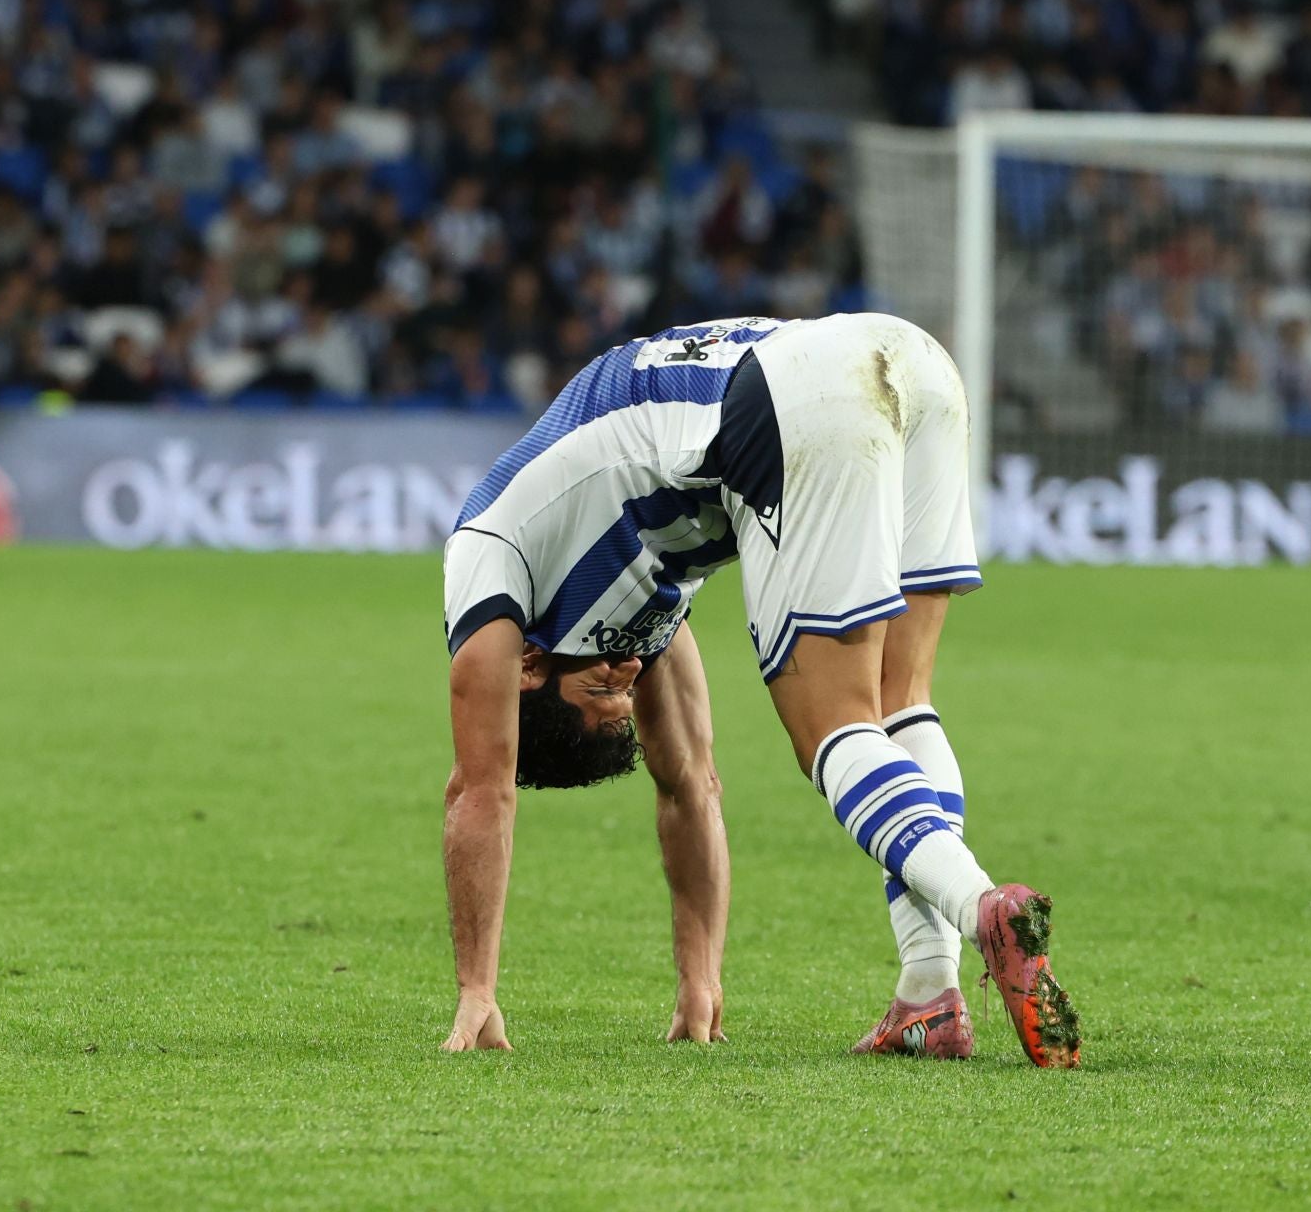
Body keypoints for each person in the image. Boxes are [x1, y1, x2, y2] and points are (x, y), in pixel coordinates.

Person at [439, 312, 1081, 1066]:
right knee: (898, 700)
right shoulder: (626, 593)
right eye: (620, 695)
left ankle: (982, 909)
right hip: (912, 361)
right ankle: (930, 990)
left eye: (599, 689)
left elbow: (481, 789)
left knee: (831, 727)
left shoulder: (486, 554)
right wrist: (700, 979)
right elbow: (690, 785)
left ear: (528, 668)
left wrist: (477, 990)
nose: (625, 675)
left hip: (795, 398)